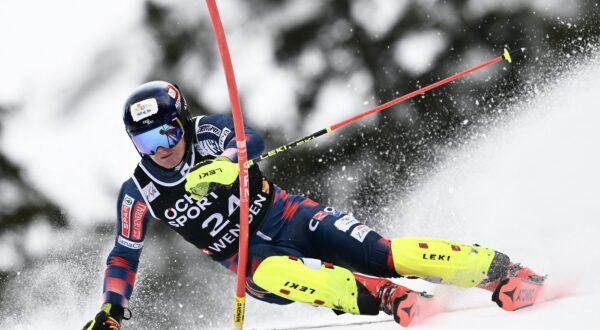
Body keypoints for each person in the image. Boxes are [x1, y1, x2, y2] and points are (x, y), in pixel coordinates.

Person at [83, 81, 543, 329]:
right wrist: (111, 309)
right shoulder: (139, 192)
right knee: (283, 274)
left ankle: (501, 272)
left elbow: (249, 137)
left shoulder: (206, 132)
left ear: (181, 122)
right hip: (249, 260)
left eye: (168, 131)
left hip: (288, 214)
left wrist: (227, 162)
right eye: (146, 139)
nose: (162, 146)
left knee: (383, 254)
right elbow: (124, 254)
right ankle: (387, 297)